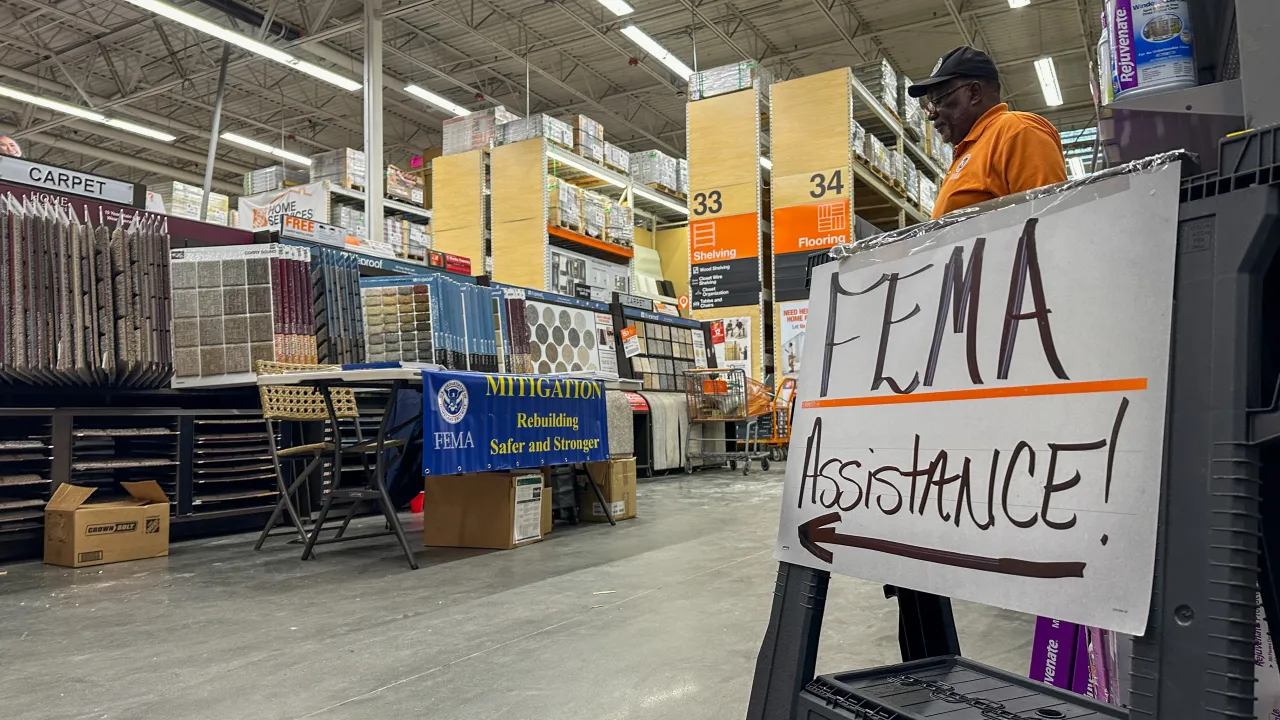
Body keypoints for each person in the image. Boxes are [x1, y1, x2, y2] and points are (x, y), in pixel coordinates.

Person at [907, 46, 1066, 219]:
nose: (931, 115)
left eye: (938, 101)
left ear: (974, 93)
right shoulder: (968, 151)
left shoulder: (1018, 131)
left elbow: (1049, 219)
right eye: (930, 105)